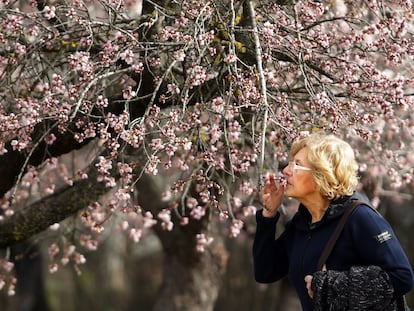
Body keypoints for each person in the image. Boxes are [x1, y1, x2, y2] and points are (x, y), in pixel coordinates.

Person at [253, 132, 414, 310]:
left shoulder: (360, 217)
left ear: (321, 174)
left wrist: (331, 285)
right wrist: (269, 214)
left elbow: (402, 277)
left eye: (297, 165)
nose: (286, 171)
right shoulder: (302, 223)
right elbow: (265, 272)